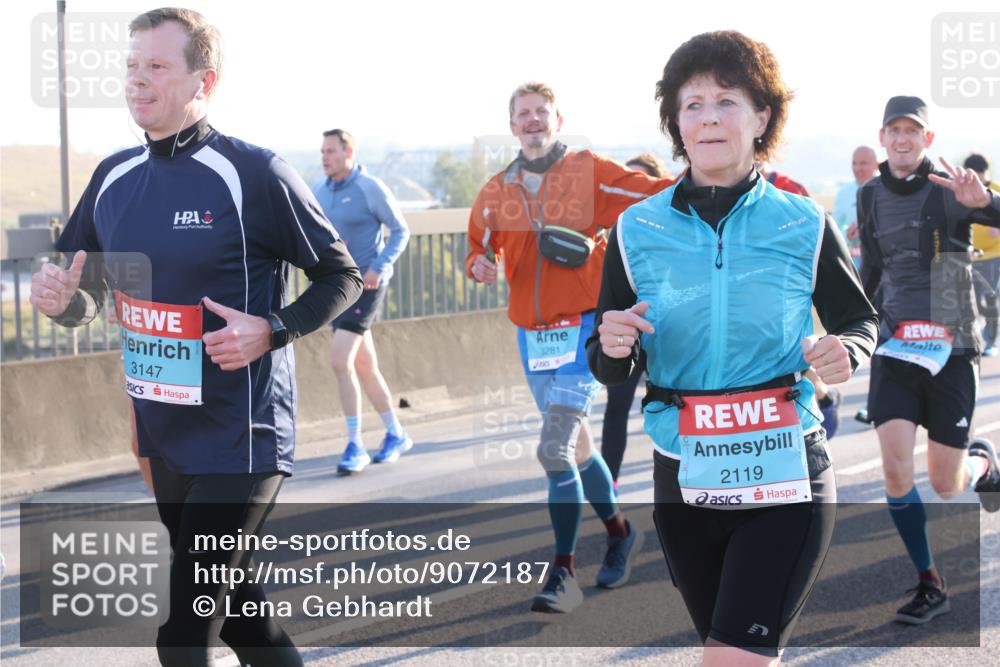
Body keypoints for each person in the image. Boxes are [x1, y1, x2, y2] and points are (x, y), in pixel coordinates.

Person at [29, 8, 363, 665]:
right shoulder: (112, 179)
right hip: (164, 439)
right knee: (242, 620)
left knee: (183, 635)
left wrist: (273, 328)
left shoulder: (254, 174)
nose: (136, 80)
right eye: (131, 66)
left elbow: (341, 275)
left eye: (156, 66)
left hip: (243, 437)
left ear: (201, 82)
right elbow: (87, 296)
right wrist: (63, 305)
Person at [587, 31, 878, 664]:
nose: (709, 116)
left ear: (762, 116)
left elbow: (859, 319)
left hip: (785, 467)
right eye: (692, 104)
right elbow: (613, 364)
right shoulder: (635, 229)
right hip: (683, 474)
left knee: (731, 659)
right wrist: (611, 346)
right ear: (676, 123)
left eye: (727, 99)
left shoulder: (804, 222)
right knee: (728, 649)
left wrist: (846, 351)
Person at [466, 81, 673, 613]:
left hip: (584, 330)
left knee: (553, 448)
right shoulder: (496, 190)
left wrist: (713, 179)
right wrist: (480, 265)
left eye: (542, 112)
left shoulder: (588, 172)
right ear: (512, 125)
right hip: (532, 339)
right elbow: (477, 248)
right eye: (523, 113)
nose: (533, 120)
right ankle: (622, 532)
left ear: (558, 120)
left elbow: (654, 192)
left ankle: (563, 574)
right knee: (577, 448)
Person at [859, 96, 1000, 625]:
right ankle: (928, 581)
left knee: (947, 484)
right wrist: (861, 329)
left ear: (927, 140)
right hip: (895, 347)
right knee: (896, 470)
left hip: (953, 347)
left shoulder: (950, 191)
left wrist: (986, 201)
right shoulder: (869, 194)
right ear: (883, 136)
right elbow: (871, 267)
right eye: (893, 129)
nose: (901, 139)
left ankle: (984, 463)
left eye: (911, 131)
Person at [313, 129, 413, 474]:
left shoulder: (369, 187)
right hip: (338, 289)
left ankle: (355, 444)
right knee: (365, 365)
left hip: (368, 287)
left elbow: (401, 230)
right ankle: (396, 433)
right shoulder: (319, 192)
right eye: (322, 151)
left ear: (349, 153)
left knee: (341, 361)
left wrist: (378, 267)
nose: (325, 157)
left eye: (331, 151)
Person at [600, 154, 673, 492]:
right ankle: (608, 483)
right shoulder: (616, 230)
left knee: (673, 403)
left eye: (639, 183)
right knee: (616, 407)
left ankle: (688, 473)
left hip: (667, 332)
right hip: (629, 332)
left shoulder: (674, 227)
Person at [965, 153, 1000, 357]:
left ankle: (991, 341)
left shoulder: (995, 190)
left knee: (988, 298)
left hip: (994, 254)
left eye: (980, 175)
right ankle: (980, 333)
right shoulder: (963, 191)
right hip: (971, 255)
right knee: (974, 301)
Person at [833, 146, 880, 270]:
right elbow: (834, 230)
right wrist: (847, 235)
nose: (858, 168)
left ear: (877, 165)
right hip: (854, 266)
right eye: (854, 163)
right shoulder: (843, 194)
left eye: (863, 163)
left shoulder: (887, 190)